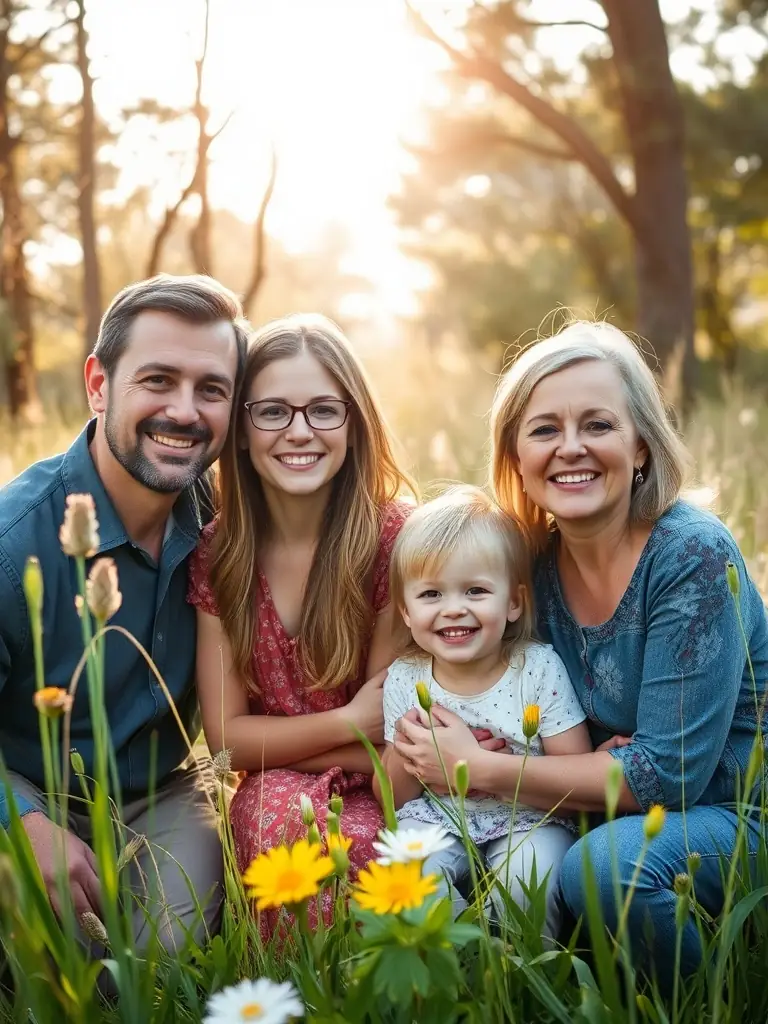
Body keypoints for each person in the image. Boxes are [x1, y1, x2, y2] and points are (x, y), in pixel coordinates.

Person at [393, 320, 768, 989]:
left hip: (732, 814)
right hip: (591, 805)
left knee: (600, 868)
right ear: (516, 457)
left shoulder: (690, 557)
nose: (571, 448)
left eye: (598, 424)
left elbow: (663, 780)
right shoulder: (526, 569)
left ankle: (707, 996)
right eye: (544, 430)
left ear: (642, 446)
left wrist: (476, 766)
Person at [0, 274, 249, 950]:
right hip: (27, 789)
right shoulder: (12, 541)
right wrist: (19, 820)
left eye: (212, 389)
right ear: (99, 383)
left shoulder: (230, 529)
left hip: (160, 796)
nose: (185, 411)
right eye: (158, 380)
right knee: (54, 963)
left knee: (171, 958)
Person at [188, 313, 414, 930]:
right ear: (240, 430)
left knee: (364, 852)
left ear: (353, 423)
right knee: (277, 826)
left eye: (323, 410)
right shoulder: (220, 553)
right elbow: (226, 741)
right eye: (272, 412)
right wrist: (345, 722)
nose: (299, 432)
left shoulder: (392, 539)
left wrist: (288, 742)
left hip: (394, 783)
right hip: (272, 785)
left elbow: (391, 738)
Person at [379, 485, 591, 935]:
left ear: (513, 602)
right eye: (431, 595)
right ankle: (460, 965)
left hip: (530, 819)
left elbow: (573, 787)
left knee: (525, 881)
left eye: (475, 591)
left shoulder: (536, 670)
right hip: (438, 817)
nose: (454, 610)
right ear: (406, 610)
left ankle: (520, 976)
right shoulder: (405, 678)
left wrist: (488, 768)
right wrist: (408, 750)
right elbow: (392, 801)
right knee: (409, 872)